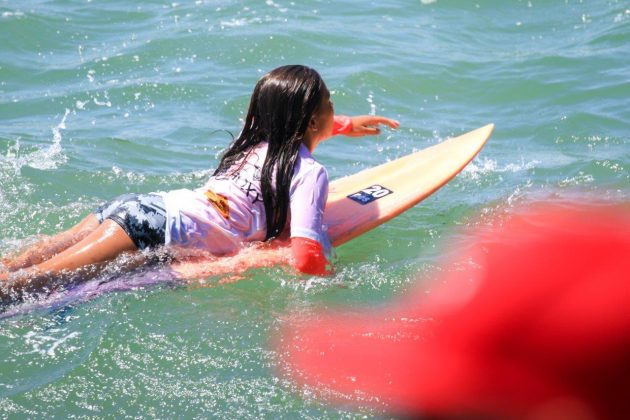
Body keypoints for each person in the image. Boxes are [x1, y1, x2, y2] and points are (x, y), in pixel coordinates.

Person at [0, 64, 399, 303]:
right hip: (155, 229)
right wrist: (339, 283)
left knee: (25, 263)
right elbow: (307, 256)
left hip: (143, 208)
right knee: (38, 282)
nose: (336, 112)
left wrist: (344, 124)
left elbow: (288, 125)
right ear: (312, 122)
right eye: (331, 106)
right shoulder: (310, 173)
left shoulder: (257, 142)